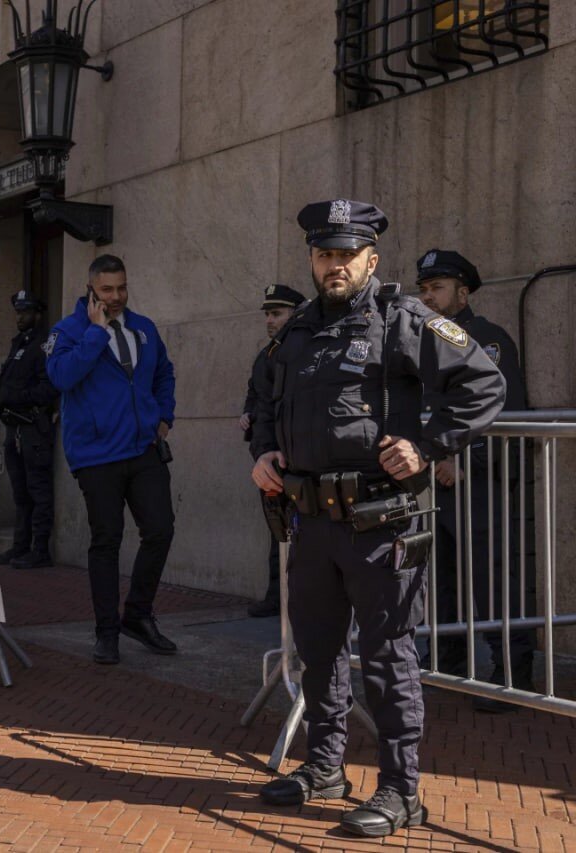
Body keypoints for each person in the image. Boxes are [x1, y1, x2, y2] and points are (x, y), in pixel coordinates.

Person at [250, 200, 505, 837]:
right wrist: (262, 453)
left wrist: (429, 445)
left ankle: (400, 790)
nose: (333, 265)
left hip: (380, 521)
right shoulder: (297, 329)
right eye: (323, 254)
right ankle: (326, 767)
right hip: (310, 522)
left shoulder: (405, 319)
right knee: (318, 652)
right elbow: (260, 399)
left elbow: (484, 383)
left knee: (388, 656)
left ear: (371, 257)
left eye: (345, 254)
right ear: (311, 258)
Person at [415, 248, 534, 712]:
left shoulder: (487, 341)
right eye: (423, 288)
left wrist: (465, 459)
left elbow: (502, 412)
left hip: (476, 485)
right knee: (440, 581)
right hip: (429, 483)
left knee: (493, 584)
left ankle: (513, 675)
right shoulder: (422, 341)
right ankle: (447, 664)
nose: (427, 296)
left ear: (462, 293)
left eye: (437, 288)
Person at [45, 254, 177, 666]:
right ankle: (106, 632)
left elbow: (164, 374)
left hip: (143, 449)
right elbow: (61, 377)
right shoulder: (68, 331)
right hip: (96, 455)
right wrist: (96, 334)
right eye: (107, 289)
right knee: (107, 541)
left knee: (160, 529)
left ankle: (137, 614)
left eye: (121, 287)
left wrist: (164, 415)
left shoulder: (144, 328)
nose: (116, 296)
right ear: (91, 290)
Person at [240, 284, 306, 617]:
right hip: (270, 457)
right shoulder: (266, 355)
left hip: (299, 457)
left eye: (276, 313)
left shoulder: (304, 349)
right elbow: (257, 396)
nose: (269, 320)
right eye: (267, 314)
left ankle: (295, 598)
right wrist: (246, 413)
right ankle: (277, 595)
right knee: (277, 530)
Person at [0, 290, 58, 570]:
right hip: (15, 428)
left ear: (38, 314)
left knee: (38, 490)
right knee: (20, 492)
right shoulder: (19, 343)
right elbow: (7, 381)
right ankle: (20, 546)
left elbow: (48, 388)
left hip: (33, 428)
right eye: (17, 311)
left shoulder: (44, 345)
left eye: (25, 312)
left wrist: (14, 397)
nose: (19, 316)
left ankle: (39, 549)